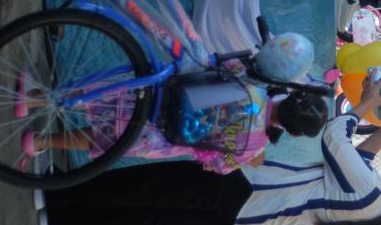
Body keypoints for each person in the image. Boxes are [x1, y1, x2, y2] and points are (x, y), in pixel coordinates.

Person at [35, 68, 381, 225]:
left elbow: (335, 138)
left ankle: (56, 195)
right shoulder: (376, 205)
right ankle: (56, 216)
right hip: (248, 221)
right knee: (154, 213)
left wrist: (366, 103)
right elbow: (361, 158)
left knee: (150, 186)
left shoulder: (371, 196)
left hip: (245, 194)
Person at [18, 61, 329, 174]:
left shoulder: (253, 84)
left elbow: (216, 67)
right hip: (162, 139)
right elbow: (216, 166)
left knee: (100, 99)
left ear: (292, 93)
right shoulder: (254, 146)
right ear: (295, 133)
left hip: (159, 99)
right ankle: (40, 142)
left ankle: (34, 100)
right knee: (101, 139)